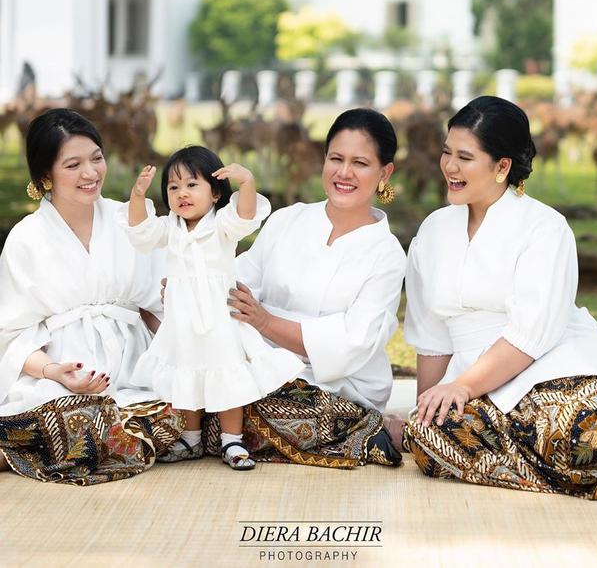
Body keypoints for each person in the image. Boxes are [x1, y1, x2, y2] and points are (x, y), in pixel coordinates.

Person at [403, 95, 597, 499]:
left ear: (502, 167)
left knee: (579, 434)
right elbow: (431, 336)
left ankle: (585, 466)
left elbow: (531, 334)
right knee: (429, 437)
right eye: (447, 153)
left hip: (556, 365)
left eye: (465, 157)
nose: (449, 167)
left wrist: (462, 387)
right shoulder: (433, 230)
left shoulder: (545, 227)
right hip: (475, 383)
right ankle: (582, 479)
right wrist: (427, 405)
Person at [206, 107, 407, 468]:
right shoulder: (287, 220)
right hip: (260, 368)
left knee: (235, 408)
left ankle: (363, 430)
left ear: (384, 173)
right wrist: (192, 287)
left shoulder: (387, 254)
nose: (344, 173)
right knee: (193, 386)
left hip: (334, 390)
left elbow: (350, 343)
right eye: (336, 159)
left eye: (360, 163)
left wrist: (266, 322)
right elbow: (235, 285)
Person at [0, 109, 183, 485]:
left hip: (135, 367)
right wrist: (56, 372)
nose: (90, 173)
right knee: (67, 417)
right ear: (46, 175)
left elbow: (158, 308)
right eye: (73, 165)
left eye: (96, 158)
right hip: (63, 375)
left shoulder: (129, 221)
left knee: (190, 409)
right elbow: (12, 337)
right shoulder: (26, 239)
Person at [120, 146, 303, 468]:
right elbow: (140, 232)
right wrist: (137, 196)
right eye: (173, 187)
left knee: (227, 372)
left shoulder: (221, 225)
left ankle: (232, 440)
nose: (182, 193)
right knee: (186, 372)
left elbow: (245, 216)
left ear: (215, 193)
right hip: (182, 321)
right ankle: (191, 438)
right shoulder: (170, 228)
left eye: (192, 184)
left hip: (219, 317)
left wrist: (247, 182)